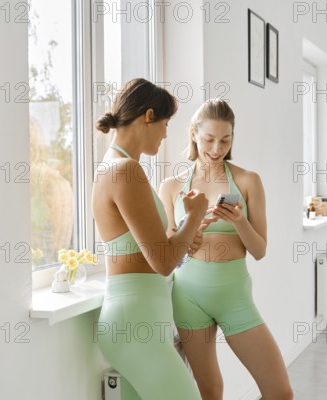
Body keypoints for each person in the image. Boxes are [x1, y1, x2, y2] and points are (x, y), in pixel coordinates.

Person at [159, 99, 294, 400]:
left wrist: (240, 221)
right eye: (209, 139)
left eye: (225, 140)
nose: (217, 148)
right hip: (188, 296)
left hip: (234, 296)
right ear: (194, 134)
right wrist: (190, 233)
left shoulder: (247, 181)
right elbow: (168, 254)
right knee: (210, 390)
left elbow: (259, 250)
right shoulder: (171, 187)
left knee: (280, 393)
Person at [92, 78, 209, 400]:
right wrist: (196, 214)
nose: (167, 133)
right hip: (136, 325)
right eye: (166, 122)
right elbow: (163, 262)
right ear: (148, 116)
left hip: (136, 321)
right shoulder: (126, 170)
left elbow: (155, 251)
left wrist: (184, 236)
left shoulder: (113, 168)